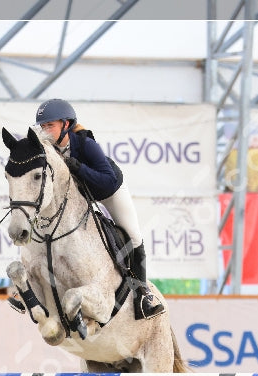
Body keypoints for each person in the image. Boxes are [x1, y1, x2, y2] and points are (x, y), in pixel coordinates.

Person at [29, 98, 164, 320]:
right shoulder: (48, 150)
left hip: (109, 191)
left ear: (66, 124)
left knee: (133, 235)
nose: (45, 131)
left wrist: (78, 167)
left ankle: (143, 294)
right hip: (82, 197)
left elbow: (106, 181)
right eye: (42, 127)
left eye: (49, 125)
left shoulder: (85, 145)